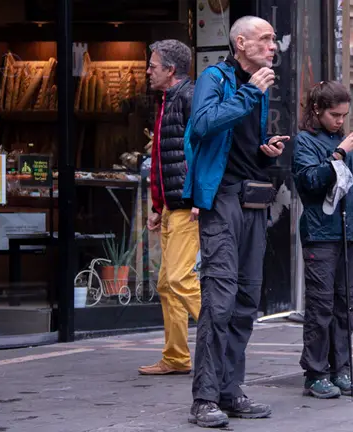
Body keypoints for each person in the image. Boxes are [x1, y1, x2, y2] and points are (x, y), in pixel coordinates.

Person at [183, 16, 288, 428]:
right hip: (221, 201)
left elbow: (241, 146)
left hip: (253, 200)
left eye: (274, 39)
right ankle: (204, 399)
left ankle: (230, 390)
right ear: (241, 43)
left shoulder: (257, 87)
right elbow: (203, 126)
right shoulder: (216, 78)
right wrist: (249, 93)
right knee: (220, 299)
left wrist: (265, 152)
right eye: (265, 39)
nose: (273, 45)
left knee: (246, 302)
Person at [292, 81, 353, 399]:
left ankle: (341, 369)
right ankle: (315, 373)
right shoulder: (305, 142)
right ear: (317, 110)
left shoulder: (346, 142)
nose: (340, 121)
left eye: (344, 115)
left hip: (349, 232)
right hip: (320, 233)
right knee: (320, 306)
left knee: (345, 306)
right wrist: (340, 152)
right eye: (334, 115)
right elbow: (310, 182)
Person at [138, 39, 201, 376]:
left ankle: (223, 339)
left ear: (171, 70)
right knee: (167, 284)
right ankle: (177, 357)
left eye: (153, 65)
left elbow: (204, 153)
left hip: (188, 207)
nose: (148, 70)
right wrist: (158, 205)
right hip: (173, 207)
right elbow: (166, 159)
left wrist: (200, 200)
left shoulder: (189, 98)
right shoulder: (167, 99)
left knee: (179, 278)